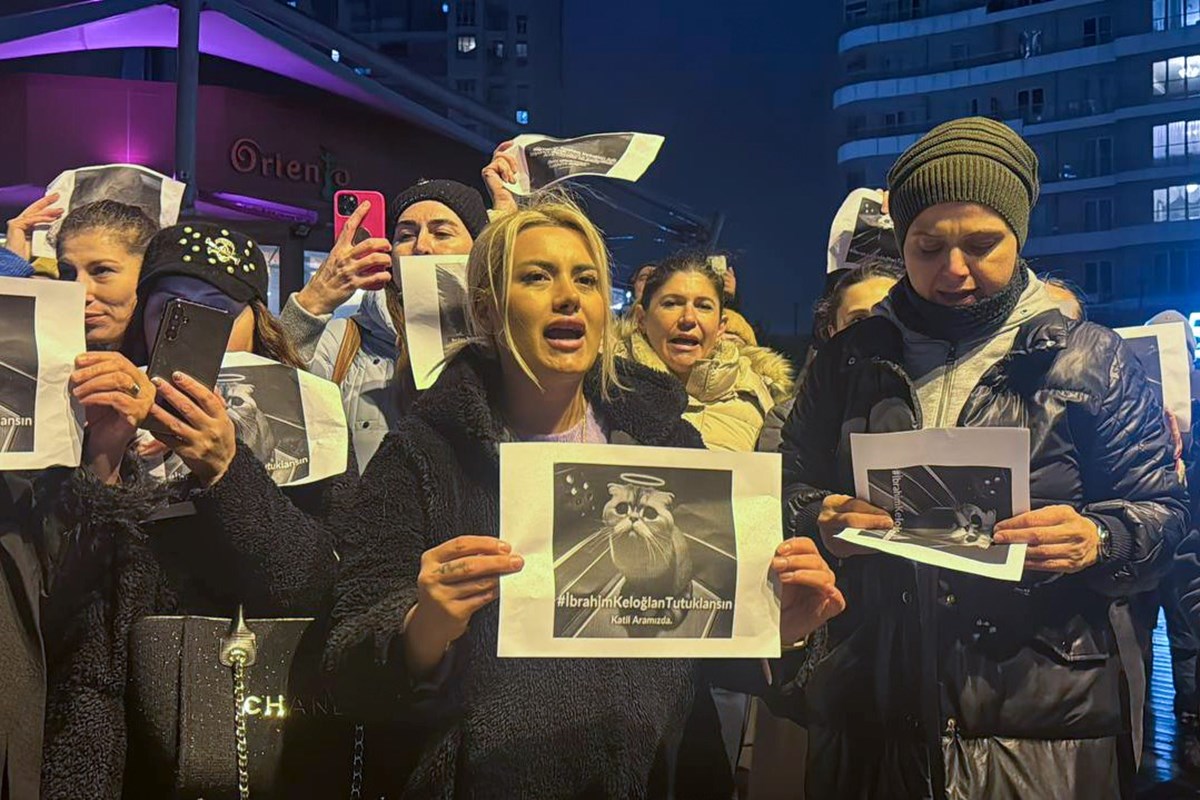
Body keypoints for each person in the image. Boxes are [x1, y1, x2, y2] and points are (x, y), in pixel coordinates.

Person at [324, 195, 843, 798]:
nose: (568, 296)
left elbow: (711, 650)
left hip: (661, 777)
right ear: (488, 310)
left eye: (587, 279)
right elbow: (345, 666)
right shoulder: (422, 453)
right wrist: (421, 626)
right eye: (537, 277)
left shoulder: (668, 444)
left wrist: (781, 627)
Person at [778, 117, 1187, 799]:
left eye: (981, 244)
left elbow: (1166, 517)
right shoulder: (851, 358)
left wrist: (1101, 536)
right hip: (874, 708)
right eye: (927, 247)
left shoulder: (1094, 359)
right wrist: (817, 515)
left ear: (1020, 236)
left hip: (1044, 717)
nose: (954, 270)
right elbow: (786, 484)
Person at [41, 223, 354, 800]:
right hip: (114, 741)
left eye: (217, 312)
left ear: (255, 320)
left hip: (251, 722)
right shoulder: (90, 407)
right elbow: (61, 602)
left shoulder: (310, 413)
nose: (194, 332)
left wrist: (227, 471)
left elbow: (316, 588)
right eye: (170, 310)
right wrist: (105, 459)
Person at [279, 179, 490, 467]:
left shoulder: (499, 338)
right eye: (405, 236)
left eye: (441, 233)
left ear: (478, 250)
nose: (422, 247)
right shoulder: (344, 341)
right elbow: (268, 410)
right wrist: (312, 303)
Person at [614, 254, 793, 452]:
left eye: (703, 306)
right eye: (671, 303)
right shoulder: (605, 385)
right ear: (641, 319)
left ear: (720, 327)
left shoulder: (756, 393)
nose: (688, 318)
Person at [757, 261, 904, 454]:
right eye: (857, 319)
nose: (874, 329)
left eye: (887, 315)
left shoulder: (935, 401)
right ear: (833, 331)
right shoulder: (788, 420)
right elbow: (784, 480)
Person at [54, 200, 158, 349]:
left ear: (148, 272)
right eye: (67, 273)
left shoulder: (192, 366)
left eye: (101, 271)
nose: (81, 294)